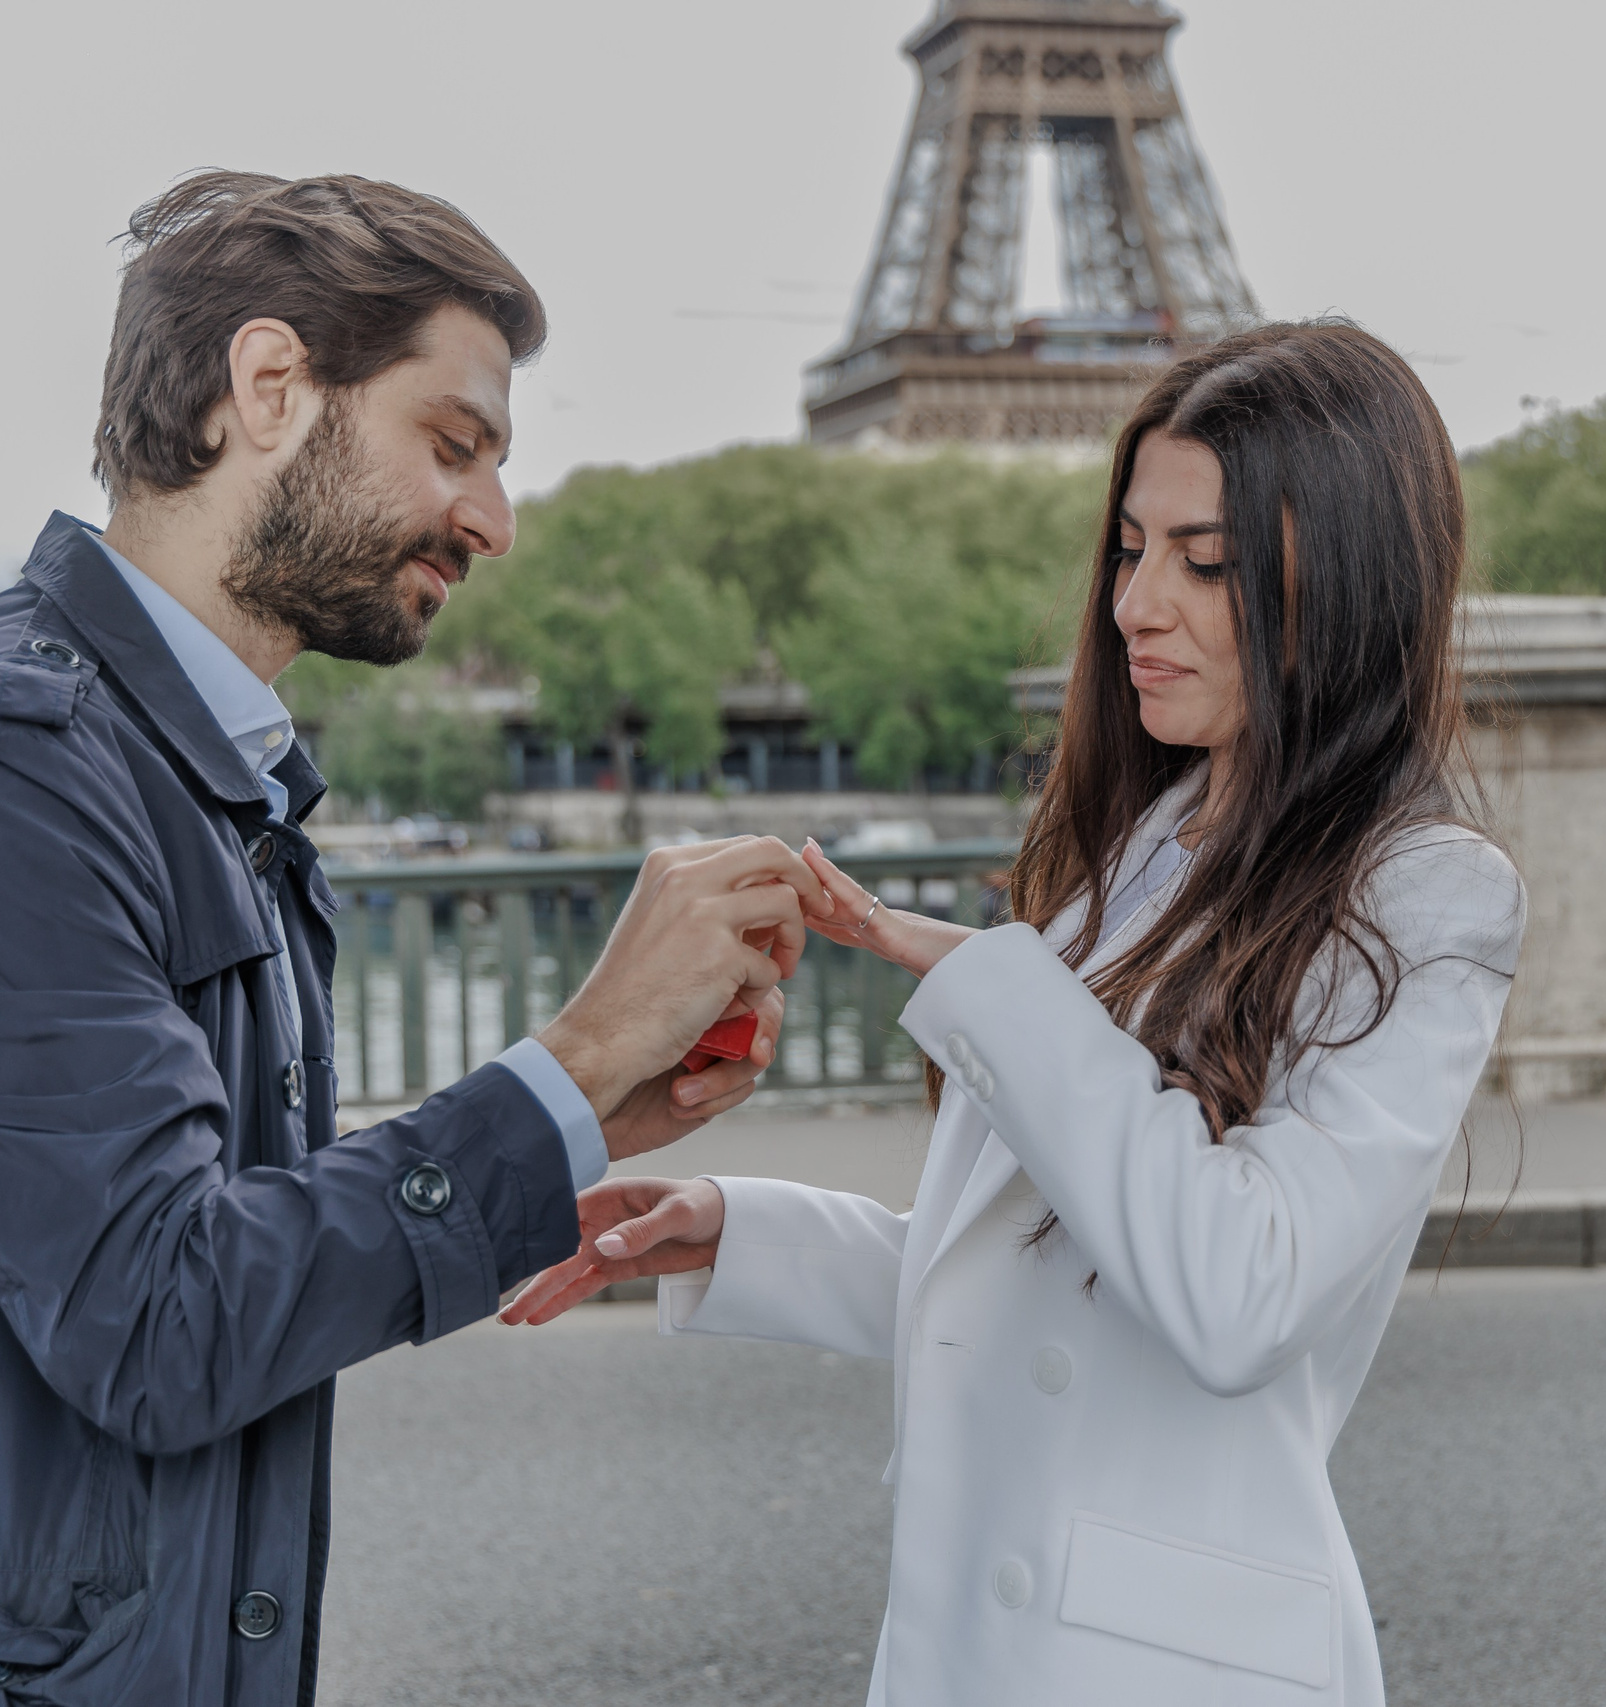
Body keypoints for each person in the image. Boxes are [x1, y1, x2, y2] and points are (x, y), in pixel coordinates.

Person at [0, 171, 826, 1705]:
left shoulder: (188, 778)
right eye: (453, 444)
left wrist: (583, 1112)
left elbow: (189, 1266)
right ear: (267, 387)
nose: (495, 519)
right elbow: (162, 1324)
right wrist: (572, 1054)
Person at [505, 322, 1528, 1703]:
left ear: (1344, 583)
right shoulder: (1150, 847)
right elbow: (1045, 1277)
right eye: (1130, 548)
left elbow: (1236, 1292)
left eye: (1203, 562)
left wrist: (983, 973)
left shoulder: (1427, 896)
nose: (1133, 606)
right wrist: (741, 1229)